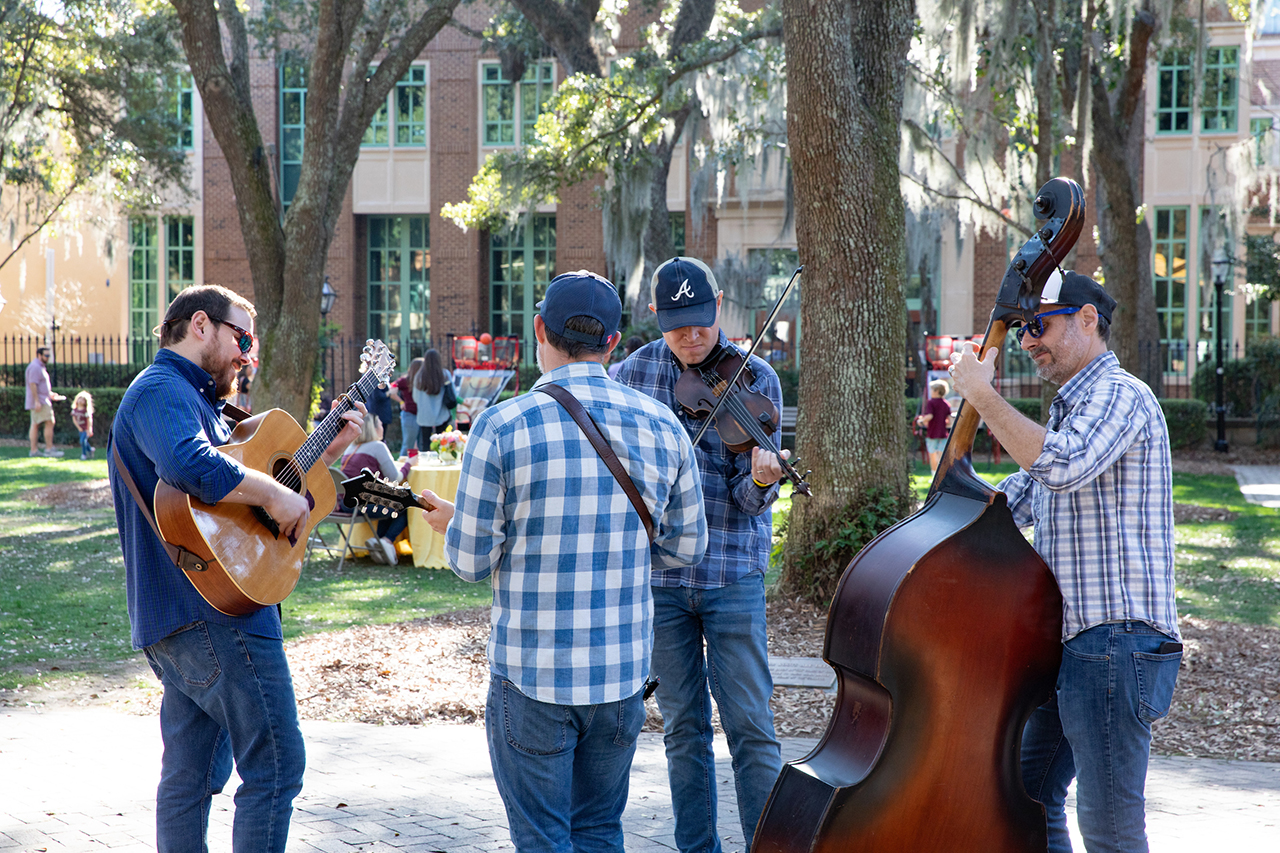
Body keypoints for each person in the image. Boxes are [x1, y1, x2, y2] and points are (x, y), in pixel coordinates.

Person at [421, 270, 707, 853]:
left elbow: (472, 563)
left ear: (538, 331)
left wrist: (461, 528)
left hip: (531, 675)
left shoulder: (501, 427)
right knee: (601, 831)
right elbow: (685, 549)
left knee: (542, 838)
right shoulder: (663, 427)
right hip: (620, 674)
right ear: (614, 341)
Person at [108, 284, 365, 853]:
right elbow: (191, 466)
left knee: (191, 779)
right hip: (214, 617)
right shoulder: (162, 389)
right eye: (241, 338)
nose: (247, 354)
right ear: (200, 325)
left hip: (191, 614)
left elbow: (234, 503)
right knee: (276, 764)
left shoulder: (195, 400)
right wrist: (275, 497)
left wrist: (325, 454)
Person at [947, 270, 1181, 853]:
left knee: (1109, 829)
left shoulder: (1120, 394)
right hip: (1076, 644)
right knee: (1028, 796)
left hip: (1114, 643)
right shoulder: (1071, 408)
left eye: (1039, 325)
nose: (1026, 340)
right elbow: (1016, 502)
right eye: (1022, 327)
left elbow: (1062, 466)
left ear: (1086, 319)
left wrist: (982, 395)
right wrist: (940, 510)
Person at [615, 256, 788, 853]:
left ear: (719, 306)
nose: (692, 336)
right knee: (683, 729)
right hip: (661, 580)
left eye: (701, 321)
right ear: (657, 319)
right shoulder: (631, 377)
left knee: (750, 727)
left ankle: (766, 846)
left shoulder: (756, 377)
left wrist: (764, 481)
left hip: (730, 573)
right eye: (677, 324)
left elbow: (747, 498)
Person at [340, 414, 411, 566]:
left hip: (344, 504)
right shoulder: (377, 446)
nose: (382, 427)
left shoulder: (350, 448)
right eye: (379, 424)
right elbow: (395, 479)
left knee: (390, 503)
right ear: (373, 428)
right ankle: (386, 540)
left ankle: (377, 541)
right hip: (362, 505)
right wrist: (409, 464)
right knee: (405, 504)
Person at [26, 347, 65, 457]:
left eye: (49, 356)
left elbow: (41, 385)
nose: (48, 358)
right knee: (48, 422)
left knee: (36, 423)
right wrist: (37, 401)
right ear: (39, 355)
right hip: (41, 401)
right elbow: (32, 384)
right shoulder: (35, 367)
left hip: (43, 399)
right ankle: (48, 449)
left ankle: (34, 450)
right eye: (46, 355)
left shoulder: (40, 367)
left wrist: (50, 394)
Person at [413, 348, 453, 449]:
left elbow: (415, 398)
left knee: (425, 444)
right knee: (442, 443)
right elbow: (453, 394)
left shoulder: (419, 376)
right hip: (442, 414)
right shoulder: (444, 374)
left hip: (424, 416)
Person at [915, 379, 954, 473]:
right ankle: (941, 475)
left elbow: (930, 416)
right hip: (943, 434)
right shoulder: (946, 404)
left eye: (932, 390)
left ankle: (933, 474)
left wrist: (921, 420)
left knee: (932, 455)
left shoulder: (931, 402)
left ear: (936, 391)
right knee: (941, 456)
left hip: (932, 434)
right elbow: (949, 421)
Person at [389, 357, 423, 458]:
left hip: (422, 415)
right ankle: (401, 466)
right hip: (410, 414)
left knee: (420, 445)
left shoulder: (423, 381)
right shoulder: (405, 380)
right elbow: (391, 390)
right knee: (408, 444)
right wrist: (401, 402)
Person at [71, 391, 95, 460]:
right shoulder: (74, 410)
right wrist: (78, 427)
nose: (81, 401)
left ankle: (84, 454)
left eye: (83, 400)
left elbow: (89, 420)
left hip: (85, 429)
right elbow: (74, 419)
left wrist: (89, 429)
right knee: (84, 441)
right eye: (80, 399)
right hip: (80, 429)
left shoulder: (85, 411)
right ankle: (90, 449)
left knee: (82, 441)